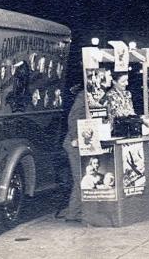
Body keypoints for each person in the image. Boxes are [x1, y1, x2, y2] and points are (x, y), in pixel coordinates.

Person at [58, 87, 87, 221]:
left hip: (85, 142)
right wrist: (76, 137)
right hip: (74, 143)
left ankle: (74, 210)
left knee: (81, 177)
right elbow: (73, 116)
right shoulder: (84, 95)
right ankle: (73, 213)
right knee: (79, 178)